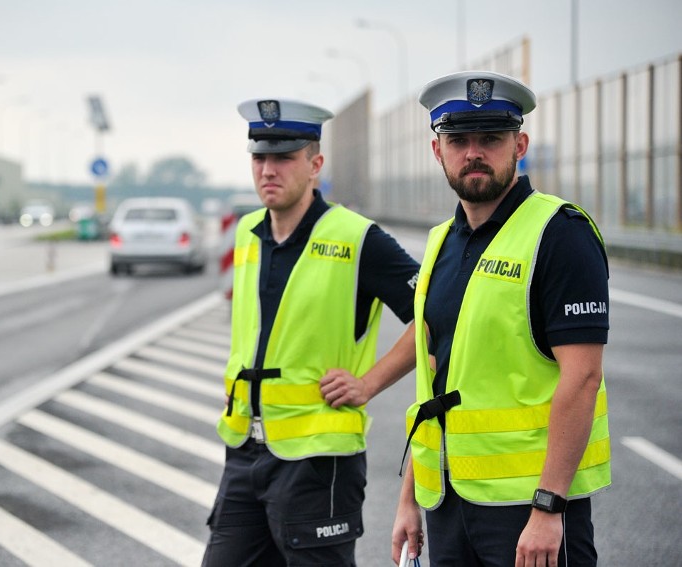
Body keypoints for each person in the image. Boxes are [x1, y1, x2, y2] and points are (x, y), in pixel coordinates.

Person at [391, 71, 612, 566]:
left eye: (490, 138)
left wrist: (549, 506)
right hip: (449, 507)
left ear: (520, 144)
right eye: (458, 140)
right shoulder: (439, 243)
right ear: (437, 151)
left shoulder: (559, 233)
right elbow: (437, 383)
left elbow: (583, 378)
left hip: (531, 513)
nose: (474, 152)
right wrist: (410, 499)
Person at [202, 98, 421, 566]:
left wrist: (369, 382)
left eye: (283, 157)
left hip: (320, 461)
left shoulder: (357, 238)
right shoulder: (245, 232)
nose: (268, 169)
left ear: (315, 164)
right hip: (244, 450)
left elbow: (434, 314)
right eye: (259, 157)